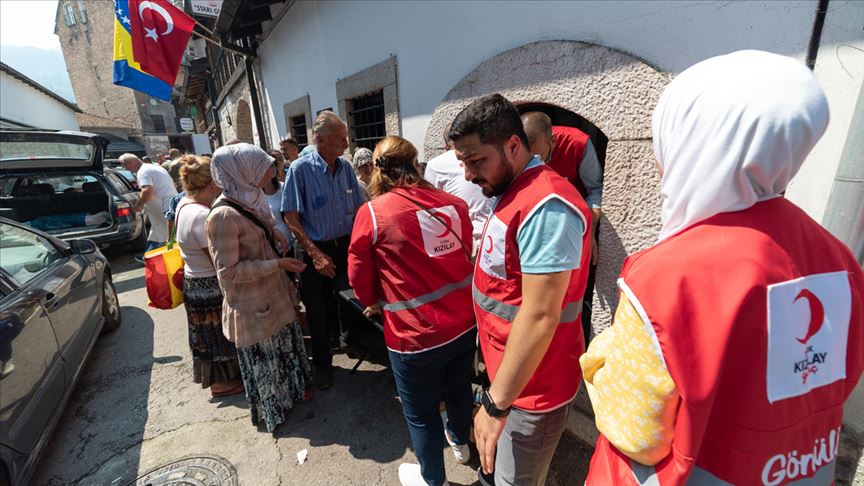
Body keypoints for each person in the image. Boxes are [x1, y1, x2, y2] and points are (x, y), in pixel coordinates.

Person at [580, 50, 864, 485]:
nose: (660, 162)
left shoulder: (667, 275)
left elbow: (637, 433)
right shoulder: (837, 257)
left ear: (699, 145)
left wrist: (600, 355)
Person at [449, 94, 591, 486]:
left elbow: (541, 314)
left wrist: (495, 406)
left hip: (531, 394)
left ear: (513, 145)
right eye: (462, 162)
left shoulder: (546, 205)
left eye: (476, 161)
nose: (467, 175)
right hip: (512, 383)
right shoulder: (515, 188)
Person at [348, 136, 477, 486]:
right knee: (459, 389)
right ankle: (461, 444)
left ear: (377, 170)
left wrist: (372, 301)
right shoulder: (454, 204)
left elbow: (359, 276)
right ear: (415, 162)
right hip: (465, 325)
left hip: (413, 337)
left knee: (420, 416)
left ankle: (432, 480)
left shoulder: (373, 213)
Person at [207, 143, 312, 432]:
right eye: (263, 168)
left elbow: (258, 230)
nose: (270, 174)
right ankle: (277, 413)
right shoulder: (223, 217)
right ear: (244, 172)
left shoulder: (249, 198)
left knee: (282, 352)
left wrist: (274, 232)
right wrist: (277, 265)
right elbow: (228, 273)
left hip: (272, 298)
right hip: (254, 306)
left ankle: (292, 396)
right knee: (268, 362)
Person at [281, 111, 367, 390]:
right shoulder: (300, 169)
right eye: (339, 139)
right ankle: (322, 365)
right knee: (317, 312)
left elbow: (360, 211)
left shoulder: (345, 168)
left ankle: (355, 346)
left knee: (352, 302)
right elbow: (291, 218)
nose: (345, 144)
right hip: (313, 248)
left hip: (345, 246)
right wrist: (315, 254)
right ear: (319, 140)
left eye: (345, 137)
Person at [522, 112, 603, 342]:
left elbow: (595, 189)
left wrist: (590, 231)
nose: (533, 162)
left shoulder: (578, 143)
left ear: (553, 141)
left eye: (537, 154)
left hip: (574, 225)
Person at [173, 156, 243, 397]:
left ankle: (221, 381)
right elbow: (218, 257)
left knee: (206, 335)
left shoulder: (183, 205)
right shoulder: (202, 216)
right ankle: (222, 383)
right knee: (217, 336)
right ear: (212, 183)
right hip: (208, 284)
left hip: (194, 282)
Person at [425, 123, 493, 257]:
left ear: (446, 145)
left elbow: (432, 210)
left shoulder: (436, 165)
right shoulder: (488, 154)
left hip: (465, 245)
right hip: (496, 235)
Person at [120, 153, 178, 263]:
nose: (124, 168)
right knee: (157, 231)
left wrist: (138, 205)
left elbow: (147, 191)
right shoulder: (154, 167)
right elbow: (173, 184)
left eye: (124, 164)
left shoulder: (143, 172)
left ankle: (171, 257)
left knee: (170, 233)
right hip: (167, 203)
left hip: (162, 206)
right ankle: (148, 256)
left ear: (131, 162)